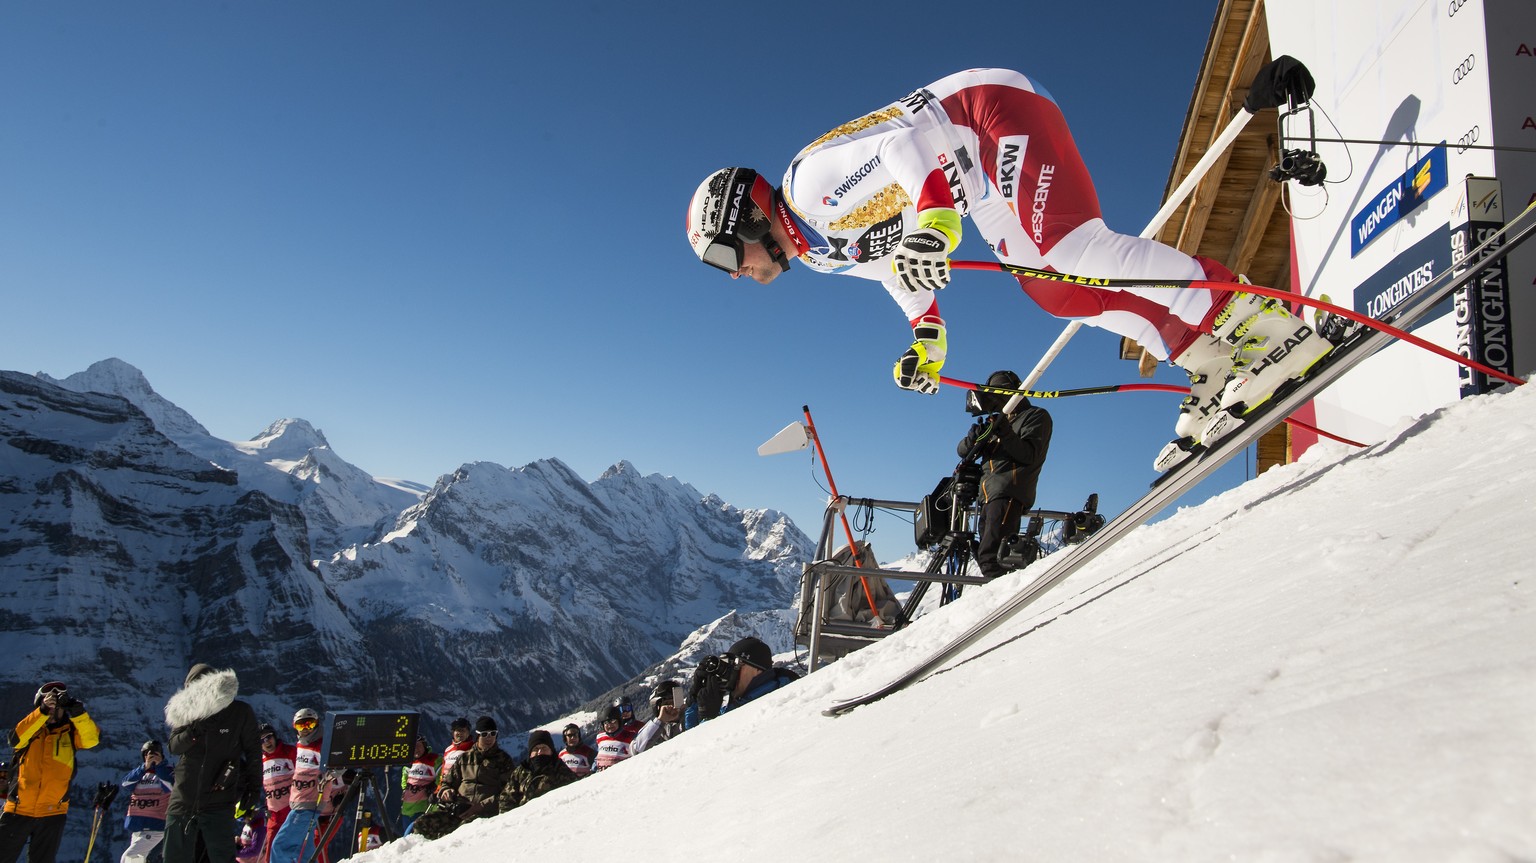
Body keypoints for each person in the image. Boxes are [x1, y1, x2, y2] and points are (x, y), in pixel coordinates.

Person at [684, 64, 1331, 469]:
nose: (734, 274)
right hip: (978, 180)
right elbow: (894, 272)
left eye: (723, 257)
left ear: (744, 218)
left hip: (987, 116)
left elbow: (900, 146)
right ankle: (1207, 355)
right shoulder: (819, 253)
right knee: (1056, 293)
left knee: (1068, 249)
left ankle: (1258, 323)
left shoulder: (807, 188)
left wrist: (936, 220)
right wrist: (927, 340)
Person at [957, 370, 1053, 578]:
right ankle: (1001, 595)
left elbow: (1029, 454)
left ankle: (1003, 604)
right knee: (988, 554)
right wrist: (973, 439)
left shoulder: (1036, 416)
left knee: (992, 558)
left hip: (1009, 491)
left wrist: (1005, 432)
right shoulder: (998, 421)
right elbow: (962, 452)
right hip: (988, 495)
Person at [162, 665, 261, 863]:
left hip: (219, 801)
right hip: (184, 801)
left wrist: (254, 788)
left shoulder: (239, 712)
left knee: (220, 857)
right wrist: (195, 730)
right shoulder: (187, 712)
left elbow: (253, 752)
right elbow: (174, 746)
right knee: (174, 857)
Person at [0, 681, 101, 863]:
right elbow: (14, 739)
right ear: (39, 704)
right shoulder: (30, 730)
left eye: (58, 706)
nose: (54, 710)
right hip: (18, 809)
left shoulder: (70, 732)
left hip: (52, 813)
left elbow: (92, 740)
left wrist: (78, 713)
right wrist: (43, 711)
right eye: (49, 704)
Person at [684, 638, 799, 729]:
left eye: (737, 664)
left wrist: (708, 719)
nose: (731, 672)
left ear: (758, 670)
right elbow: (687, 747)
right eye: (728, 664)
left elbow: (719, 749)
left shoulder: (775, 703)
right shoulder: (739, 703)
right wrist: (695, 698)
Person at [265, 709, 327, 863]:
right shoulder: (301, 745)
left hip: (308, 804)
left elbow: (338, 763)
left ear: (317, 724)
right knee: (305, 850)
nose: (306, 729)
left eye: (310, 724)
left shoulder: (322, 745)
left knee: (280, 847)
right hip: (298, 802)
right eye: (301, 725)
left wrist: (332, 774)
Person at [432, 717, 514, 824]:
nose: (489, 738)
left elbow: (509, 792)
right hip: (459, 808)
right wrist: (446, 790)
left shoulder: (503, 760)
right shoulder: (465, 758)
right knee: (423, 824)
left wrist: (481, 806)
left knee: (460, 829)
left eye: (492, 734)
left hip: (484, 812)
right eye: (484, 734)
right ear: (478, 735)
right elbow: (447, 782)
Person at [118, 741, 175, 863]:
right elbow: (125, 783)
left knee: (129, 858)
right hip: (138, 826)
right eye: (147, 754)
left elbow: (171, 786)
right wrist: (144, 768)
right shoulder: (140, 773)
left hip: (155, 827)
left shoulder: (167, 771)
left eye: (155, 753)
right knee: (139, 860)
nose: (150, 756)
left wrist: (159, 766)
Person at [498, 731, 577, 811]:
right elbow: (506, 799)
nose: (540, 752)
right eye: (536, 749)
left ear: (551, 751)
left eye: (544, 748)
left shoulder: (560, 769)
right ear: (530, 753)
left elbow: (570, 797)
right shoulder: (521, 771)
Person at [255, 724, 294, 863]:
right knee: (270, 855)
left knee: (292, 852)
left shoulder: (289, 752)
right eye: (261, 740)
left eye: (268, 737)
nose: (267, 742)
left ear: (274, 736)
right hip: (273, 814)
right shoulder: (261, 761)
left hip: (291, 811)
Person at [397, 736, 440, 835]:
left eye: (419, 746)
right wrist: (405, 789)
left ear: (425, 746)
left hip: (424, 807)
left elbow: (441, 779)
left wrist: (435, 791)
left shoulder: (434, 760)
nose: (416, 749)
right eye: (413, 746)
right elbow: (404, 779)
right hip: (407, 809)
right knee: (408, 838)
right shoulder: (408, 763)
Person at [630, 680, 685, 755]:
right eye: (667, 704)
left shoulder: (688, 720)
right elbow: (636, 750)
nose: (672, 707)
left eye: (675, 703)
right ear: (658, 708)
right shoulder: (654, 729)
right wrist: (660, 721)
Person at [433, 719, 473, 795]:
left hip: (463, 792)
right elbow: (443, 774)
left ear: (468, 733)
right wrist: (438, 790)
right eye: (457, 730)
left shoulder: (473, 749)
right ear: (452, 732)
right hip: (446, 790)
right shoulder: (448, 750)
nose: (460, 733)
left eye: (463, 730)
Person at [591, 707, 634, 772]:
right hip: (600, 774)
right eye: (606, 723)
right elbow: (598, 755)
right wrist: (593, 769)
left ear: (619, 722)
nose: (610, 725)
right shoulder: (600, 737)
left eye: (613, 721)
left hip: (620, 774)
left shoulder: (630, 736)